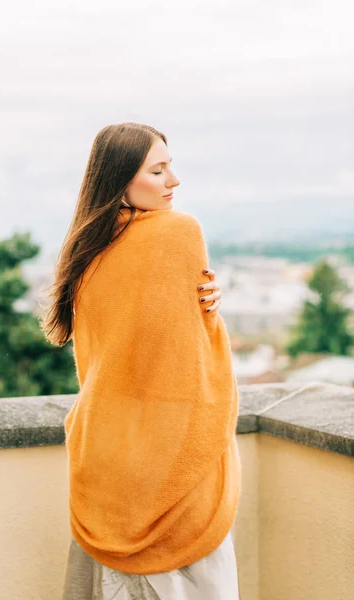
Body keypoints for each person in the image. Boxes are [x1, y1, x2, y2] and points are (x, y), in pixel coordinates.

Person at [40, 122, 241, 599]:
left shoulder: (86, 248)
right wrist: (212, 317)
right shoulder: (178, 232)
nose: (174, 181)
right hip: (167, 465)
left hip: (104, 457)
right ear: (120, 179)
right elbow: (192, 365)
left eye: (170, 167)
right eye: (158, 170)